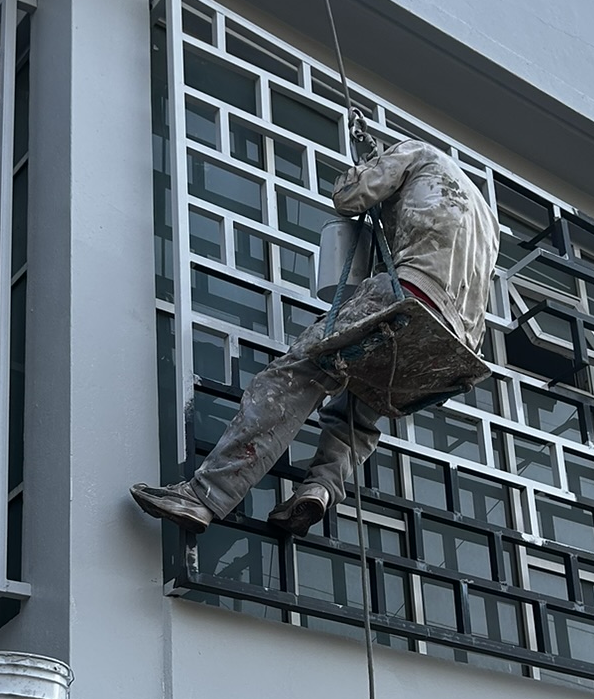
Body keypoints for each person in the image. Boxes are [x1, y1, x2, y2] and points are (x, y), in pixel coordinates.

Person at [130, 128, 501, 538]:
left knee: (292, 378)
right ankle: (321, 488)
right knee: (360, 406)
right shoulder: (487, 216)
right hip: (453, 344)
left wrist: (365, 168)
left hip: (409, 296)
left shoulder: (416, 152)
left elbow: (349, 198)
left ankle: (203, 496)